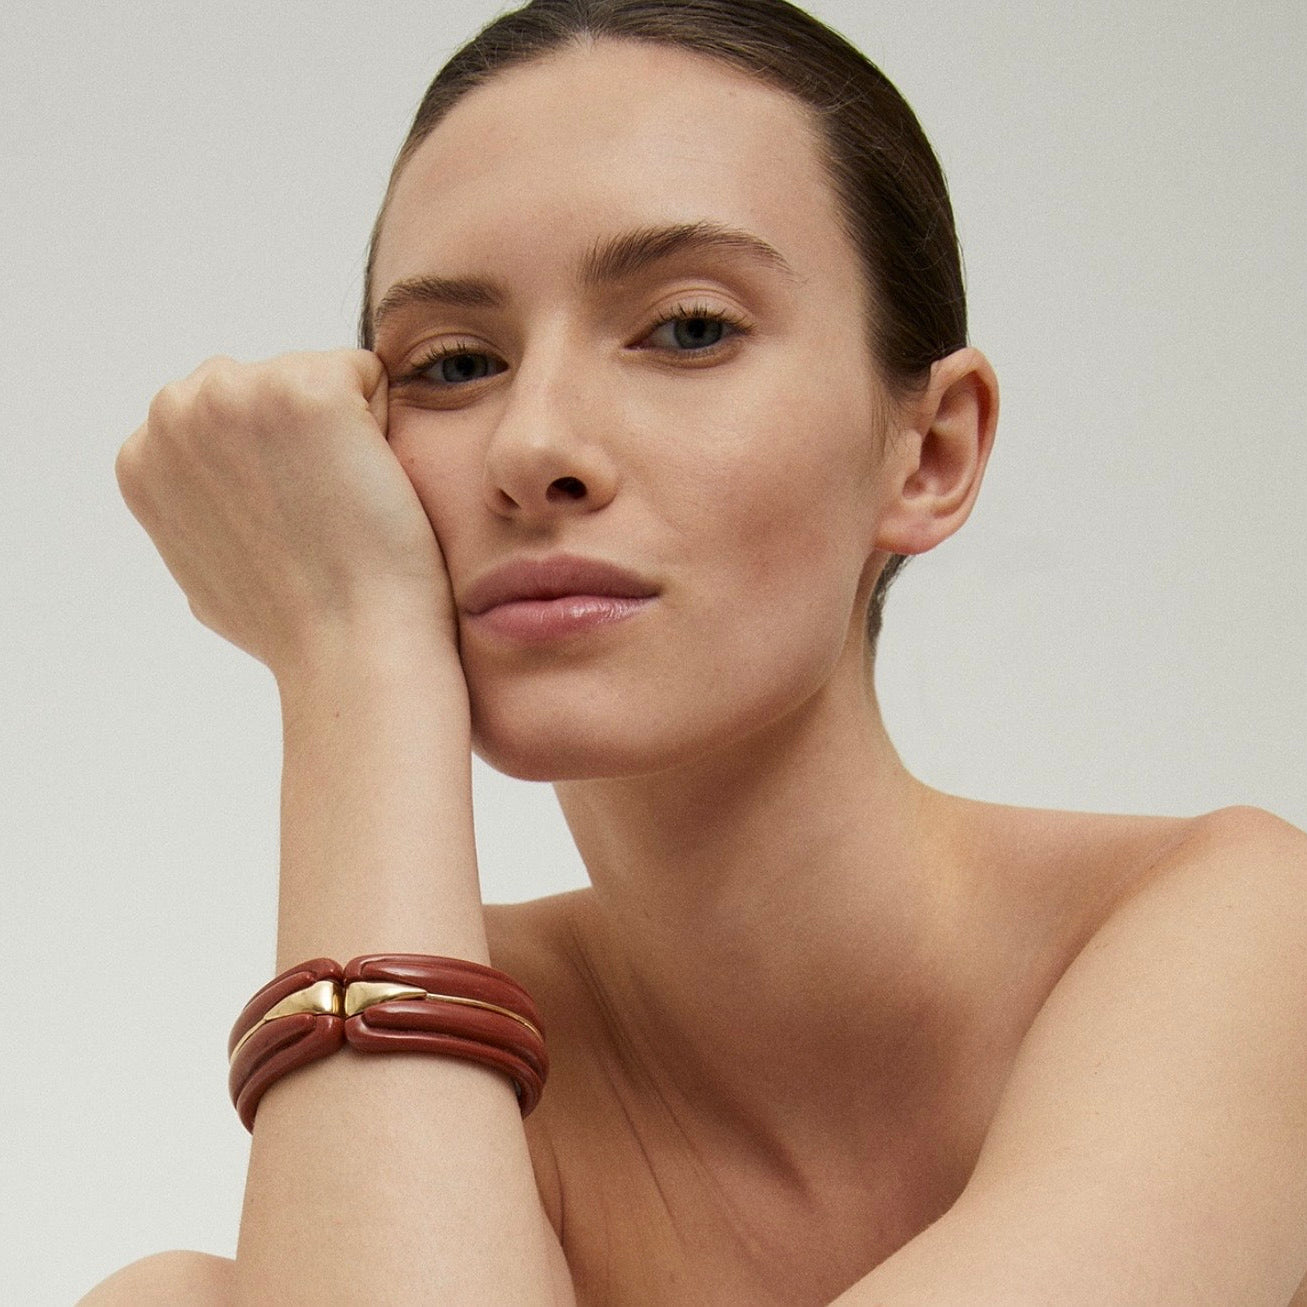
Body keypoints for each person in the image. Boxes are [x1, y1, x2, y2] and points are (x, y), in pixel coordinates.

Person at [81, 1, 1307, 1304]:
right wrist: (353, 656)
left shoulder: (1238, 935)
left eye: (688, 329)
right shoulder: (467, 1065)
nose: (532, 444)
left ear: (931, 451)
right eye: (454, 363)